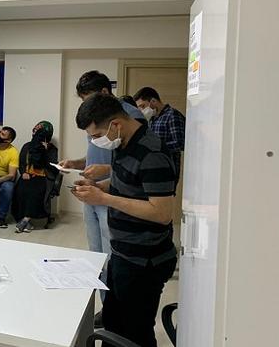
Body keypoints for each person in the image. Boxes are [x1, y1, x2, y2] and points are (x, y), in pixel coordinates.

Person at [71, 93, 177, 347]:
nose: (95, 141)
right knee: (114, 325)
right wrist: (98, 187)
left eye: (97, 135)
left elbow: (162, 213)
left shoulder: (152, 153)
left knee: (135, 332)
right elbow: (126, 183)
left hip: (145, 260)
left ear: (116, 124)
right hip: (123, 252)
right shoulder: (123, 144)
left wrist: (104, 199)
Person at [58, 70, 145, 316]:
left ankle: (116, 313)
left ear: (105, 92)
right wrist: (77, 163)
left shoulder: (130, 117)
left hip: (112, 195)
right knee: (97, 258)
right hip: (92, 194)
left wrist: (104, 174)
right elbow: (96, 154)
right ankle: (107, 310)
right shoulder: (95, 118)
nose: (87, 105)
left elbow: (133, 163)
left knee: (113, 257)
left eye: (89, 98)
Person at [12, 121, 60, 233]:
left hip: (44, 177)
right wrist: (23, 172)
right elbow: (22, 163)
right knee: (20, 190)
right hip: (27, 175)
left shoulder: (52, 149)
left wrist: (44, 152)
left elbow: (52, 167)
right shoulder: (27, 146)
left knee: (35, 192)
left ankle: (25, 219)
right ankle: (25, 222)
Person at [133, 86, 185, 178]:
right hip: (153, 165)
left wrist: (157, 146)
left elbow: (180, 143)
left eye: (143, 106)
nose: (141, 110)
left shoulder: (172, 115)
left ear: (153, 101)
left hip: (167, 167)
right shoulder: (152, 118)